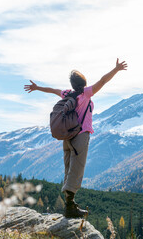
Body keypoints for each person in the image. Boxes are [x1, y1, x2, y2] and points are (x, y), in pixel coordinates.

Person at [24, 58, 128, 218]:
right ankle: (70, 207)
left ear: (72, 84)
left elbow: (53, 90)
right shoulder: (86, 94)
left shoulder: (68, 93)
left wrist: (37, 88)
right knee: (77, 168)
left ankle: (69, 204)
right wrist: (116, 70)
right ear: (84, 83)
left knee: (68, 168)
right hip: (80, 135)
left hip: (68, 136)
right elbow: (103, 81)